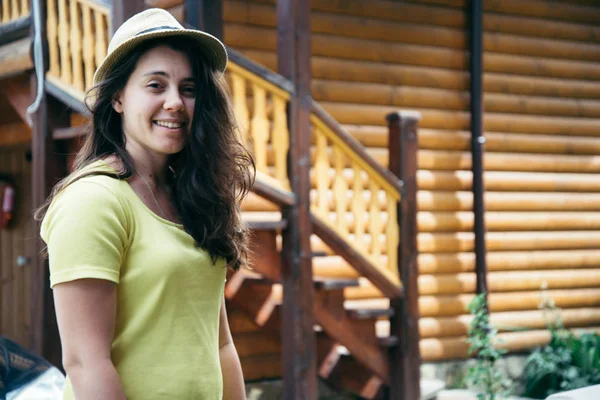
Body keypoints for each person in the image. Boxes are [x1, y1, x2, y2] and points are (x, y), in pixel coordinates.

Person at [37, 8, 252, 400]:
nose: (175, 102)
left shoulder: (193, 197)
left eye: (188, 88)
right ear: (118, 97)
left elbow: (220, 345)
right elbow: (87, 363)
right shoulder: (94, 201)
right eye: (156, 85)